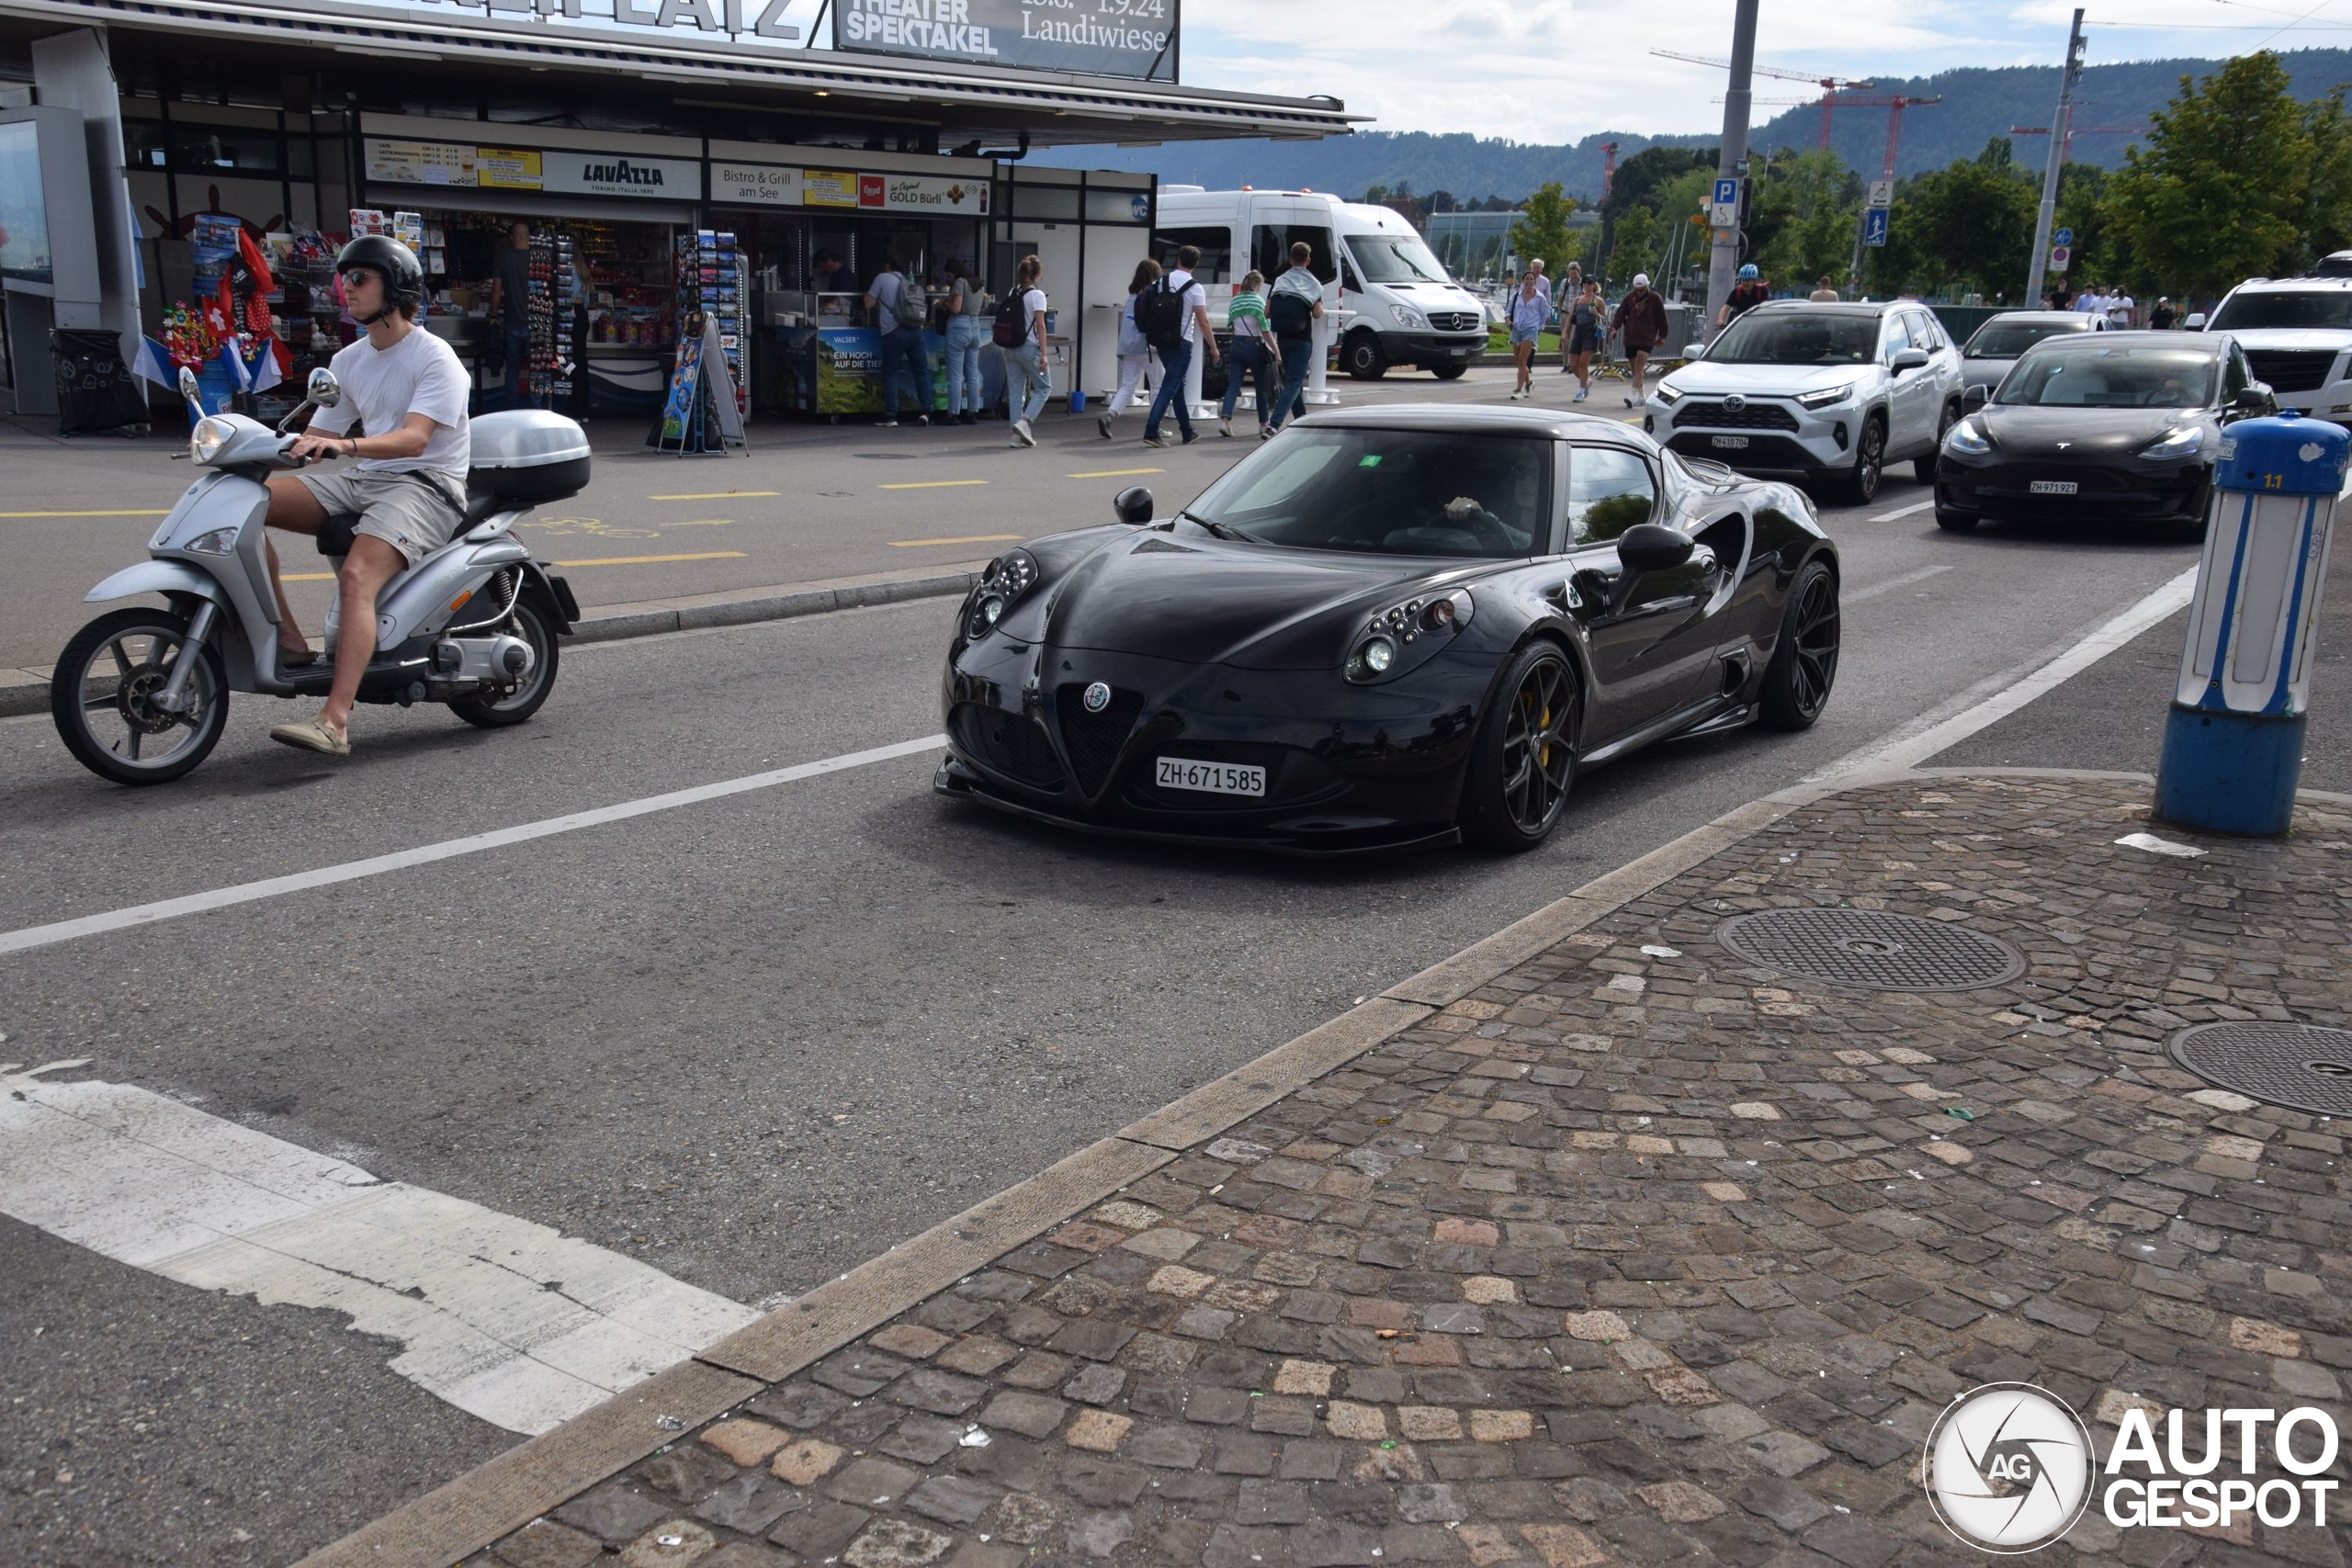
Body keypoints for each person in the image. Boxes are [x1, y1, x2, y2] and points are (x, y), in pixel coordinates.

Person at [259, 235, 470, 758]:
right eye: (343, 278)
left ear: (394, 288)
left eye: (359, 279)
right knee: (245, 502)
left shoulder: (435, 357)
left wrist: (347, 445)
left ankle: (335, 721)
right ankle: (287, 640)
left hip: (427, 483)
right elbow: (322, 435)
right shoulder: (350, 359)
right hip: (369, 478)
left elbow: (415, 439)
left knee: (357, 576)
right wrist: (251, 448)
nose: (345, 288)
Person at [1142, 243, 1219, 448]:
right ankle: (1151, 430)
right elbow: (1203, 321)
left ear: (1178, 259)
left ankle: (1187, 431)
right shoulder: (1195, 287)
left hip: (1161, 340)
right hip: (1182, 343)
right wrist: (1213, 347)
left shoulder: (1162, 280)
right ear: (1196, 264)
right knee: (1171, 385)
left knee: (1177, 386)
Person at [1264, 241, 1325, 436]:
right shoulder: (1313, 283)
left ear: (1290, 259)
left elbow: (1267, 312)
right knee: (1294, 382)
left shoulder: (1280, 280)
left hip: (1283, 338)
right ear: (1308, 260)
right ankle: (1274, 424)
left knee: (1293, 381)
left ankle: (1302, 423)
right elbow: (1317, 314)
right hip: (1302, 337)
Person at [865, 251, 930, 428]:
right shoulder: (908, 281)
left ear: (887, 266)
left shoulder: (882, 278)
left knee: (891, 374)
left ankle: (891, 416)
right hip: (915, 331)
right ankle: (925, 412)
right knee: (921, 372)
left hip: (893, 332)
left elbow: (868, 303)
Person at [1099, 258, 1162, 439]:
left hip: (1126, 346)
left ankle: (1109, 416)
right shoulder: (1150, 295)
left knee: (1127, 385)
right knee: (1159, 384)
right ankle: (1154, 425)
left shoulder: (1131, 295)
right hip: (1145, 347)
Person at [1000, 254, 1050, 447]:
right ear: (1037, 274)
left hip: (1011, 348)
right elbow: (1041, 326)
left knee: (1015, 393)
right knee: (1044, 387)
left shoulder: (1013, 292)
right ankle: (1025, 422)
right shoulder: (1037, 296)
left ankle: (1015, 437)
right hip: (1029, 348)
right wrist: (1044, 354)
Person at [1220, 269, 1274, 435]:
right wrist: (1276, 350)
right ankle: (1263, 424)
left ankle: (1225, 421)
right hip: (1254, 345)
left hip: (1237, 344)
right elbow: (1265, 329)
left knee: (1234, 385)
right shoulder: (1258, 302)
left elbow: (1230, 324)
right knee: (1260, 387)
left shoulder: (1235, 301)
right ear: (1257, 285)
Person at [486, 220, 533, 411]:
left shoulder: (503, 259)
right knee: (536, 368)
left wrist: (493, 315)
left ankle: (511, 408)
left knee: (512, 369)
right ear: (529, 237)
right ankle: (536, 407)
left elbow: (496, 290)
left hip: (512, 322)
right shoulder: (537, 258)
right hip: (536, 323)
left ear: (512, 238)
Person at [1610, 272, 1668, 406]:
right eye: (1637, 290)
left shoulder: (1655, 299)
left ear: (1647, 287)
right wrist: (1614, 328)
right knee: (1635, 368)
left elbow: (1662, 318)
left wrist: (1662, 335)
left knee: (1639, 365)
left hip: (1647, 337)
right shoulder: (1629, 298)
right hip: (1631, 337)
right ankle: (1642, 396)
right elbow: (1620, 314)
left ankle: (1632, 394)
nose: (1640, 293)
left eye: (1642, 290)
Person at [941, 258, 987, 426]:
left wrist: (945, 303)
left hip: (959, 327)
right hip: (975, 326)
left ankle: (953, 414)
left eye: (949, 275)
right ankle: (972, 413)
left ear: (955, 272)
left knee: (955, 376)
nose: (949, 279)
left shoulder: (960, 282)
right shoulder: (978, 283)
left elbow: (956, 308)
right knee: (972, 374)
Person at [1504, 258, 1551, 401]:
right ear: (1523, 281)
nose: (1529, 281)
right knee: (1518, 361)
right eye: (1527, 279)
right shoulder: (1517, 295)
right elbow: (1508, 309)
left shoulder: (1539, 297)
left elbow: (1546, 313)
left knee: (1523, 359)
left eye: (1532, 279)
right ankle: (1529, 383)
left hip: (1530, 329)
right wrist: (1508, 319)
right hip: (1517, 327)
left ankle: (1518, 389)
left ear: (1534, 281)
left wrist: (1539, 326)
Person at [1564, 278, 1604, 402]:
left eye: (1589, 283)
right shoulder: (1577, 300)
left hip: (1591, 332)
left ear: (1594, 285)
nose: (1587, 285)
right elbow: (1570, 317)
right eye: (1585, 283)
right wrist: (1565, 332)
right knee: (1574, 365)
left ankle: (1581, 392)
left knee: (1583, 363)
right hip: (1579, 331)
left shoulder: (1598, 301)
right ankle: (1586, 381)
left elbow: (1605, 320)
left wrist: (1596, 314)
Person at [1718, 262, 1770, 328]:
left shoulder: (1762, 290)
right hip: (1741, 325)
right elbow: (1726, 307)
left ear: (1754, 281)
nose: (1745, 283)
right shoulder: (1737, 291)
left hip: (1759, 325)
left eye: (1748, 281)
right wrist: (1721, 320)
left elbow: (1765, 305)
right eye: (1743, 280)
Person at [1556, 261, 1585, 373]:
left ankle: (1573, 363)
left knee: (1574, 339)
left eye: (1575, 273)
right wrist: (1561, 312)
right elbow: (1560, 298)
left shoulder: (1582, 283)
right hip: (1566, 312)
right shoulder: (1565, 283)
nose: (1573, 276)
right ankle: (1565, 363)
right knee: (1565, 339)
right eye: (1571, 273)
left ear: (1578, 272)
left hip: (1577, 314)